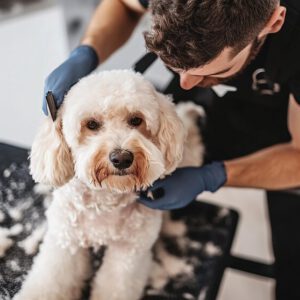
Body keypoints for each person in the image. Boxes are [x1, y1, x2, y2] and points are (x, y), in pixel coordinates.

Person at [43, 0, 300, 299]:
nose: (185, 84)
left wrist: (212, 176)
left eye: (211, 70)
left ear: (274, 22)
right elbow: (124, 6)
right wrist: (87, 50)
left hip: (281, 128)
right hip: (205, 114)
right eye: (176, 67)